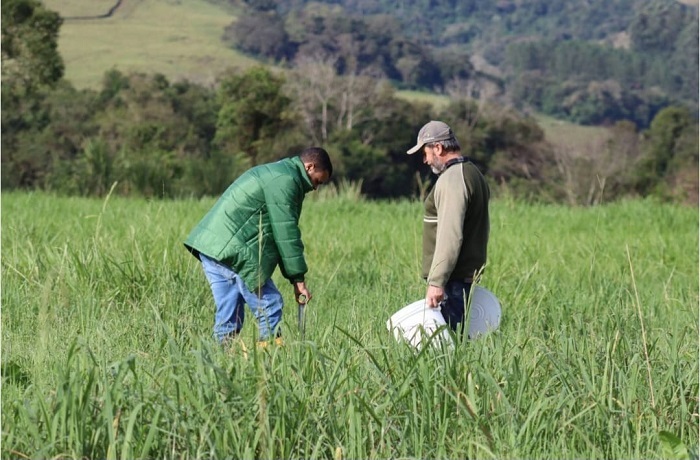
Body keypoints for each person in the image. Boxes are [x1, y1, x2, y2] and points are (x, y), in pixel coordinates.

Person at [184, 147, 333, 346]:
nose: (316, 188)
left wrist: (294, 279)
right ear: (309, 166)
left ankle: (218, 367)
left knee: (230, 315)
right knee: (270, 305)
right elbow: (285, 233)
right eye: (317, 181)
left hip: (212, 247)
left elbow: (277, 232)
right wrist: (298, 280)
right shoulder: (286, 180)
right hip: (234, 250)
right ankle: (269, 367)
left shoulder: (278, 172)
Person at [406, 120, 490, 333]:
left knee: (448, 348)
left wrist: (436, 282)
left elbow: (450, 235)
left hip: (453, 280)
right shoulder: (473, 173)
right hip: (461, 277)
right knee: (459, 343)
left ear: (438, 148)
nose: (425, 160)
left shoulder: (453, 180)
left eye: (425, 153)